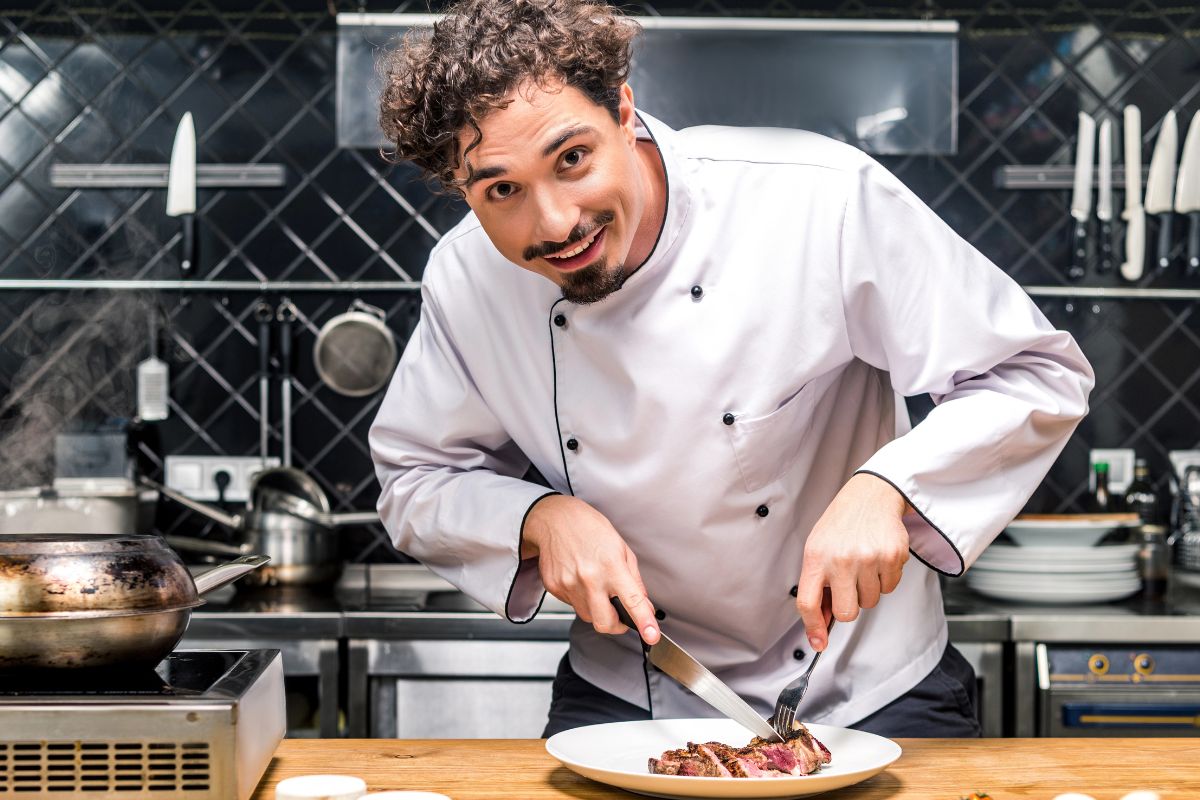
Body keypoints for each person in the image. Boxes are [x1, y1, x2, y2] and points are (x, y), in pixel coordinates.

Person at [369, 0, 1094, 738]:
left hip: (870, 682)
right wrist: (537, 519)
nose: (554, 223)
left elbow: (1032, 372)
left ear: (623, 110)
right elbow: (416, 480)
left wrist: (891, 486)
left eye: (573, 159)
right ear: (463, 190)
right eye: (502, 190)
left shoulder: (816, 199)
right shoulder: (467, 280)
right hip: (633, 688)